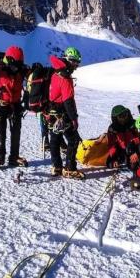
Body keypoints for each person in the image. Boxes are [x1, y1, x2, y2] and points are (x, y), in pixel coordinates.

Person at [0, 45, 29, 169]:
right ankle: (0, 159)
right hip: (0, 104)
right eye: (17, 62)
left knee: (16, 132)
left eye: (21, 62)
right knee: (0, 133)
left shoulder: (20, 69)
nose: (18, 65)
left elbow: (30, 74)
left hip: (15, 104)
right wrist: (2, 62)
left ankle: (14, 157)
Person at [46, 47, 85, 179]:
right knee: (73, 140)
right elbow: (68, 100)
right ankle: (69, 168)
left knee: (55, 140)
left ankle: (56, 167)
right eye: (74, 62)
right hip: (62, 114)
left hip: (51, 112)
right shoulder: (65, 77)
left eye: (77, 62)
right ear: (68, 60)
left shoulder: (54, 72)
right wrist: (74, 119)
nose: (76, 65)